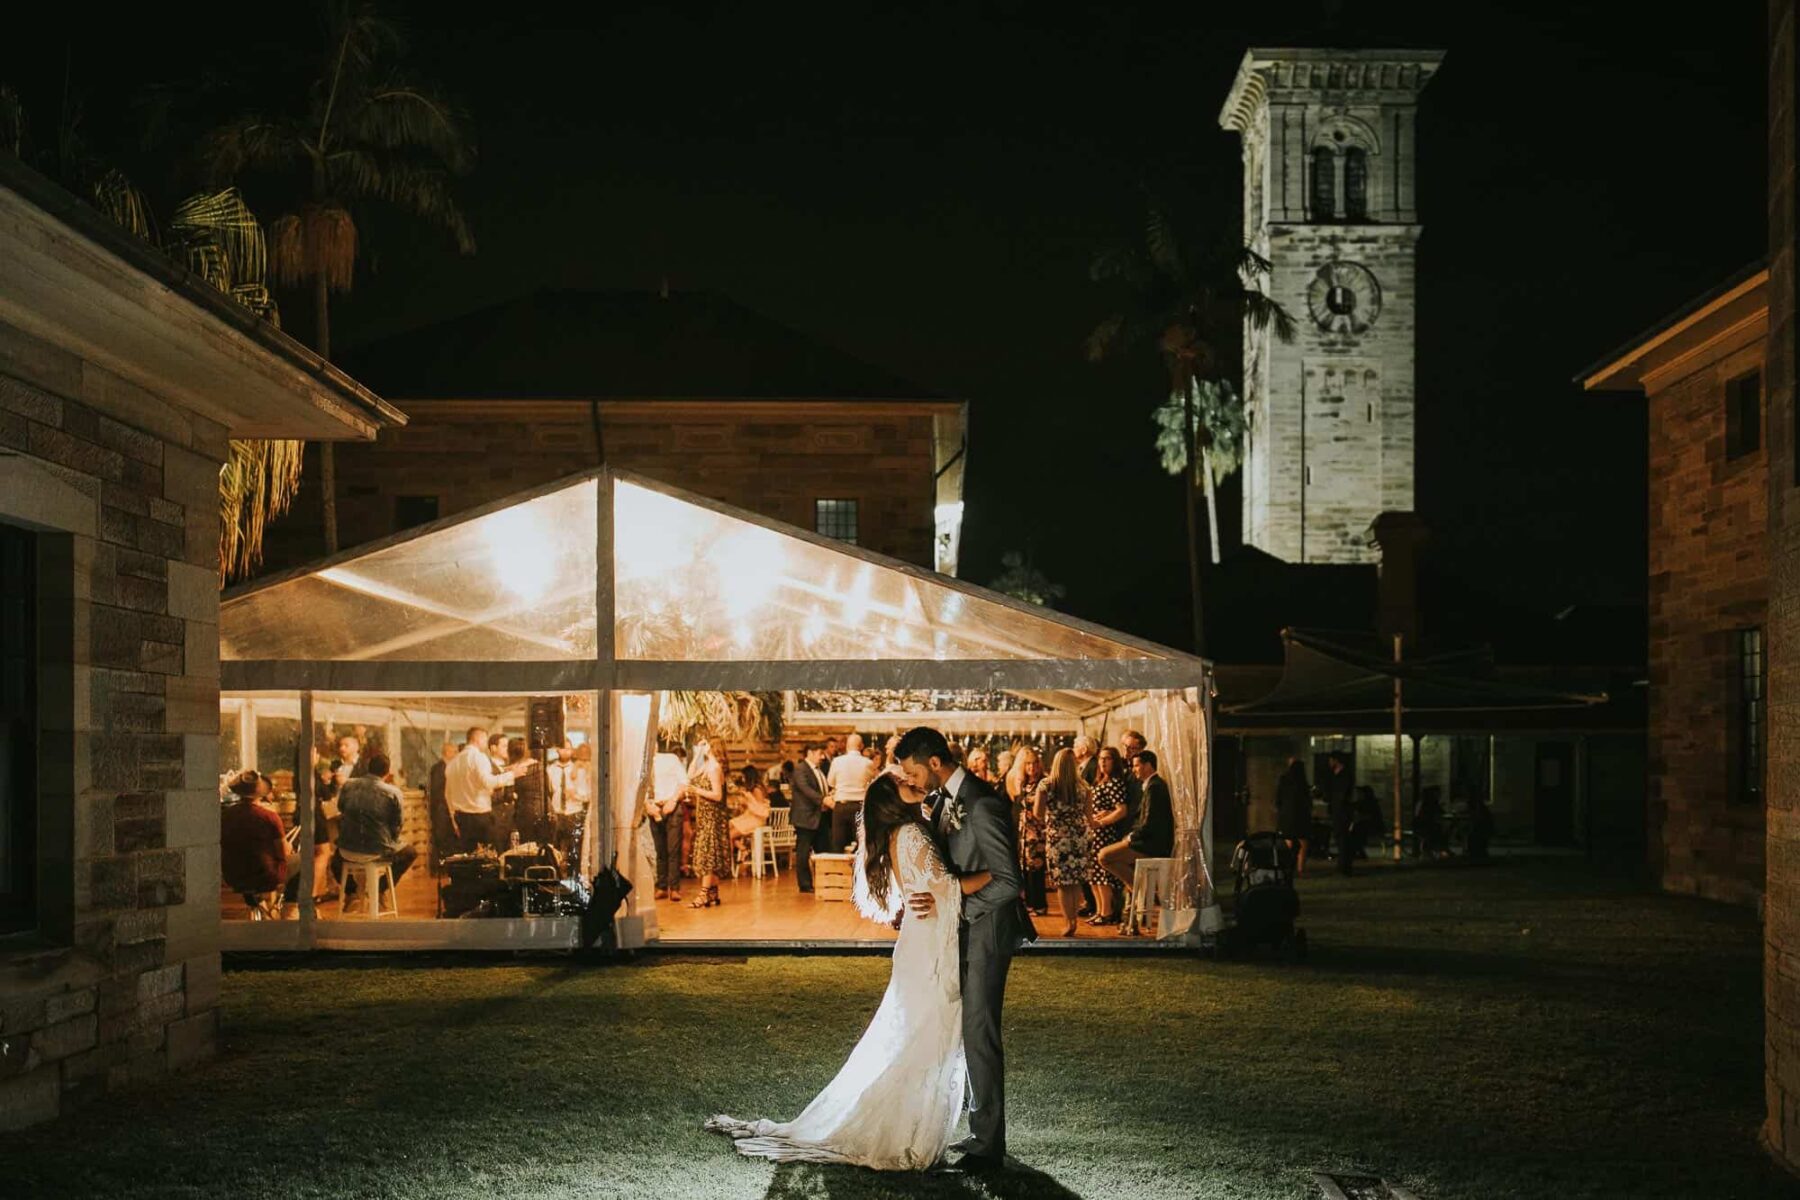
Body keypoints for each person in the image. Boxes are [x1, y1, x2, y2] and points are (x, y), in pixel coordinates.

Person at [705, 769, 994, 1170]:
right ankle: (900, 1131)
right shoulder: (909, 834)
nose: (909, 780)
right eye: (901, 782)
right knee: (923, 1034)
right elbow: (945, 886)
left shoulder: (907, 830)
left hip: (923, 938)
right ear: (893, 799)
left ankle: (906, 1124)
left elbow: (928, 886)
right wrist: (997, 874)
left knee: (918, 1032)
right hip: (927, 946)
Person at [898, 725, 1029, 1170]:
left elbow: (1010, 881)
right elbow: (945, 870)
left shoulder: (983, 802)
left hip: (988, 931)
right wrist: (924, 895)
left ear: (935, 762)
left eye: (914, 772)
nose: (912, 782)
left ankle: (988, 1144)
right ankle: (978, 1133)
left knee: (980, 1032)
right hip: (962, 931)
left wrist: (957, 909)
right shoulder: (940, 803)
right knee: (965, 1031)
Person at [1099, 750, 1175, 926]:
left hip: (1151, 846)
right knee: (1108, 857)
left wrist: (1130, 838)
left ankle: (1138, 888)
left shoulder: (1155, 786)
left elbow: (1149, 824)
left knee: (1104, 856)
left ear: (1148, 765)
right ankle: (1139, 888)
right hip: (1147, 842)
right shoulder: (1152, 785)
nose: (1133, 770)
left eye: (1136, 765)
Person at [335, 753, 418, 902]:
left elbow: (341, 808)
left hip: (347, 850)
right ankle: (379, 890)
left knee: (334, 861)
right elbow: (397, 824)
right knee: (410, 852)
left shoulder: (348, 785)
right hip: (377, 850)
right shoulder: (393, 792)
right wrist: (391, 839)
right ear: (387, 772)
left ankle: (352, 893)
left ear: (368, 768)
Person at [1035, 748, 1093, 937]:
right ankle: (1074, 919)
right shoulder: (1084, 786)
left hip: (1058, 837)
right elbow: (1089, 817)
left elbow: (1037, 813)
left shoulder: (1046, 785)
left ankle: (1068, 921)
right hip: (1079, 837)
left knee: (1062, 882)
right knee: (1076, 881)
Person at [220, 770, 296, 915]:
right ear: (262, 793)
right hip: (266, 875)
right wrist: (289, 846)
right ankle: (290, 909)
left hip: (232, 874)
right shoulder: (269, 817)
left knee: (250, 863)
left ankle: (257, 902)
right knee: (304, 861)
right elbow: (283, 853)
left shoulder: (225, 815)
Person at [446, 727, 527, 852]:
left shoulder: (453, 762)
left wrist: (453, 820)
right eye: (485, 739)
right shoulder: (479, 757)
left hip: (460, 817)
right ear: (478, 739)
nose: (486, 743)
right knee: (488, 856)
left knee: (468, 856)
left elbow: (448, 794)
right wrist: (513, 774)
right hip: (479, 817)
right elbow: (488, 782)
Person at [1085, 746, 1130, 926]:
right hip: (1094, 833)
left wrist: (1101, 822)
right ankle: (1099, 910)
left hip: (1104, 834)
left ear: (1115, 761)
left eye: (1107, 759)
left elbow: (1122, 810)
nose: (1103, 762)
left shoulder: (1115, 782)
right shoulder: (1102, 781)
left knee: (1102, 875)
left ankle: (1107, 912)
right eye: (1101, 759)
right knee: (1093, 875)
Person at [686, 739, 731, 908]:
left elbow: (717, 795)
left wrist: (697, 791)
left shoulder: (714, 768)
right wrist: (697, 754)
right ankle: (713, 891)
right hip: (706, 816)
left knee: (709, 855)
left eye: (705, 745)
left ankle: (704, 894)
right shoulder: (707, 766)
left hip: (713, 816)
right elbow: (690, 776)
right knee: (710, 853)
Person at [1005, 746, 1046, 914]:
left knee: (1036, 868)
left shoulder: (1043, 782)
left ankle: (1039, 904)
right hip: (1023, 830)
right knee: (1025, 867)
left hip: (1037, 830)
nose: (1031, 767)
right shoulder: (1023, 783)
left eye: (1035, 763)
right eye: (1028, 764)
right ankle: (1029, 902)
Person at [648, 747, 688, 901]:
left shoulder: (670, 759)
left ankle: (675, 888)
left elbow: (683, 782)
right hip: (654, 807)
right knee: (660, 851)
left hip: (671, 805)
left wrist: (673, 800)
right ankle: (661, 886)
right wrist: (647, 806)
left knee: (673, 849)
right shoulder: (641, 765)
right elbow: (639, 788)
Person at [789, 742, 830, 894]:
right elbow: (806, 790)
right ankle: (805, 884)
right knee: (803, 851)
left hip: (820, 816)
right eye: (820, 753)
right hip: (805, 817)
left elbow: (821, 789)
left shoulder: (818, 770)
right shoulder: (800, 770)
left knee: (822, 850)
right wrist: (823, 800)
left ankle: (822, 881)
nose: (822, 757)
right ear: (810, 753)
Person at [826, 733, 877, 853]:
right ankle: (859, 871)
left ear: (847, 746)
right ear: (861, 746)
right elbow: (871, 783)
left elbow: (830, 782)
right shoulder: (867, 763)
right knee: (861, 845)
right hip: (859, 806)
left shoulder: (837, 761)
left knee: (837, 844)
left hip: (841, 806)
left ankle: (837, 871)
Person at [552, 743, 592, 860]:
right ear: (557, 750)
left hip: (574, 812)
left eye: (568, 748)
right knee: (555, 850)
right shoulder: (551, 769)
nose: (565, 751)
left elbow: (586, 793)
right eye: (562, 748)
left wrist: (575, 795)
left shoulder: (579, 769)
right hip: (557, 812)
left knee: (575, 850)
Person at [1276, 754, 1313, 876]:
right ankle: (1301, 867)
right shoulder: (1303, 781)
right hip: (1302, 816)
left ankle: (1288, 866)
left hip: (1286, 816)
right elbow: (1308, 801)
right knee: (1303, 842)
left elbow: (1278, 799)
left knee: (1289, 842)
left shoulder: (1284, 779)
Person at [729, 764, 773, 867]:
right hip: (750, 817)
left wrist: (746, 802)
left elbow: (760, 810)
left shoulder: (757, 790)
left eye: (744, 776)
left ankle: (729, 865)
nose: (743, 779)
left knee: (728, 835)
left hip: (756, 820)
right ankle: (743, 849)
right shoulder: (752, 789)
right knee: (726, 827)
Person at [1325, 753, 1356, 876]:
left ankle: (1345, 866)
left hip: (1342, 811)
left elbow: (1341, 794)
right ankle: (1342, 865)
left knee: (1343, 838)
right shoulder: (1336, 775)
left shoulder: (1344, 775)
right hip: (1338, 810)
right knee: (1340, 838)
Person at [427, 742, 457, 865]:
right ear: (448, 752)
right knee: (441, 839)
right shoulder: (439, 768)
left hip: (446, 809)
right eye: (454, 752)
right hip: (441, 811)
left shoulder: (449, 767)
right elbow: (438, 791)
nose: (456, 754)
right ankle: (439, 868)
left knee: (448, 840)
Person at [1351, 785, 1385, 859]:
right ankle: (1358, 851)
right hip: (1366, 826)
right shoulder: (1360, 802)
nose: (1358, 795)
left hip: (1372, 826)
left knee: (1356, 831)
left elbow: (1370, 816)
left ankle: (1358, 852)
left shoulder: (1370, 803)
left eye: (1360, 793)